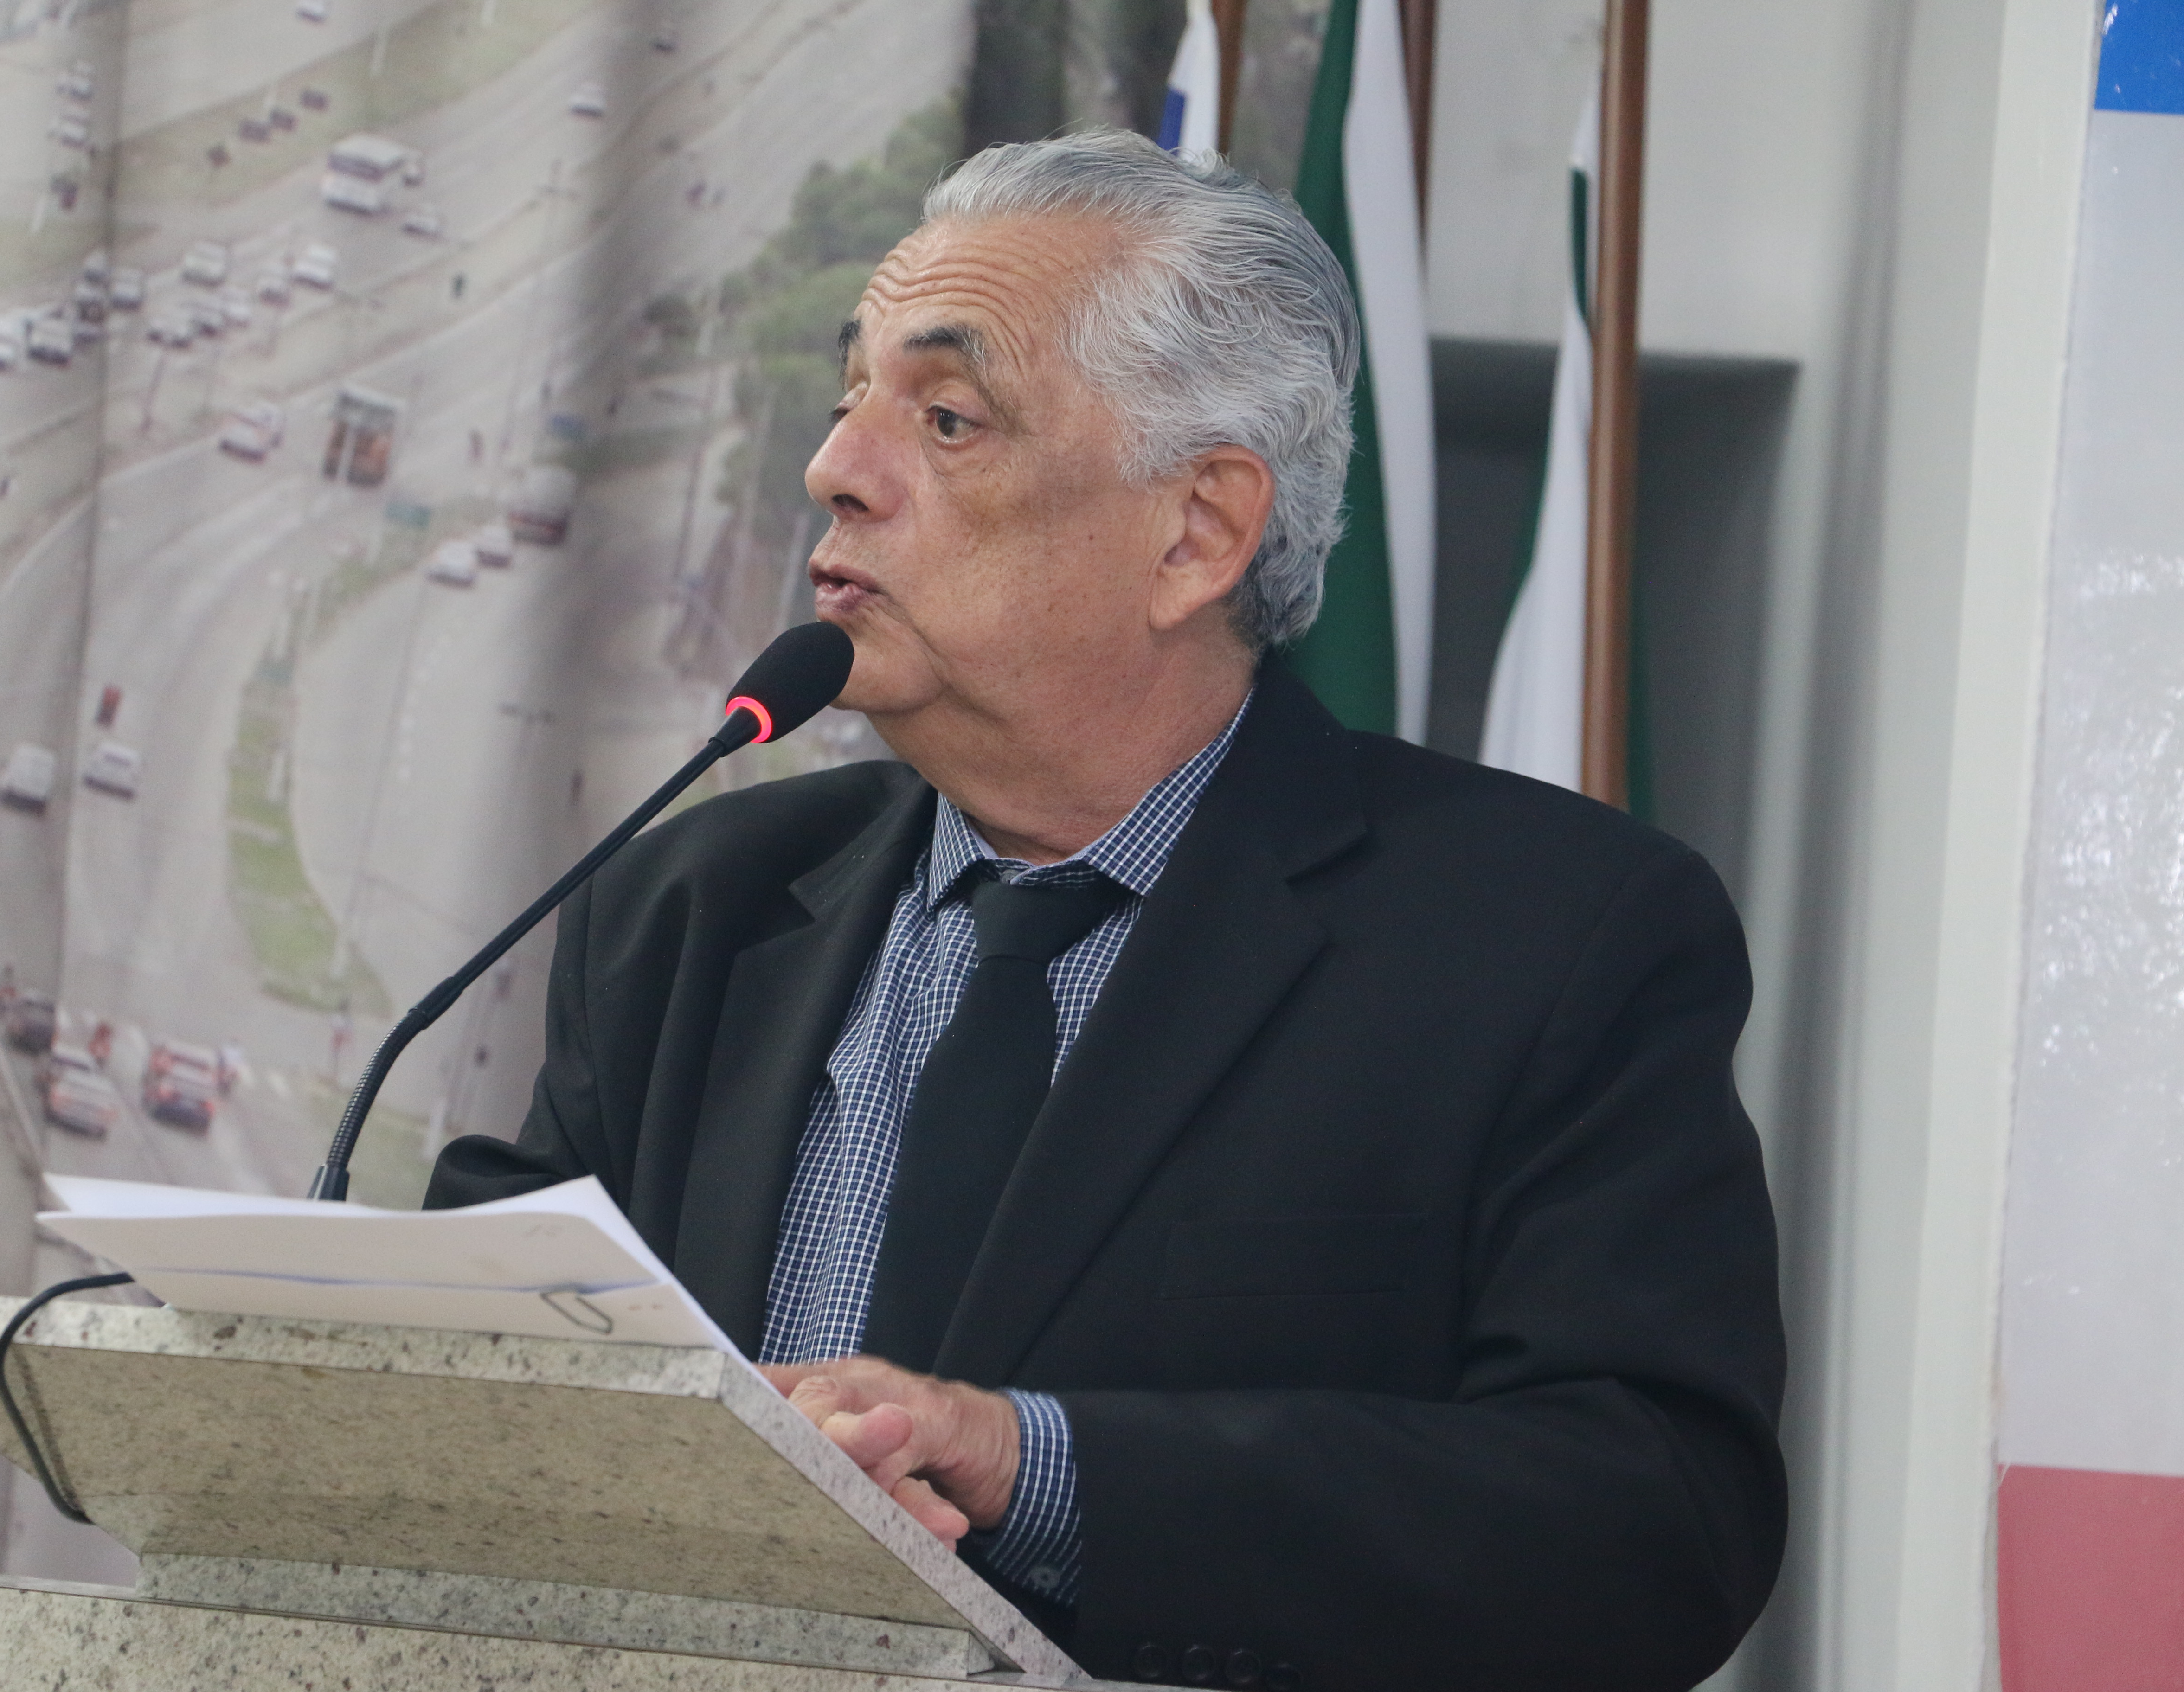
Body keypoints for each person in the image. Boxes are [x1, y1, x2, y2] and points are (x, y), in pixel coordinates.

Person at [426, 130, 1784, 1691]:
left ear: (1197, 531)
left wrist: (1039, 1468)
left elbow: (1651, 1524)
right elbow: (479, 1361)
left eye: (946, 416)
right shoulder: (692, 907)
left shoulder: (1546, 937)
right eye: (850, 396)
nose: (836, 468)